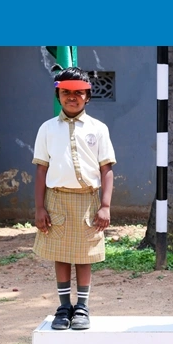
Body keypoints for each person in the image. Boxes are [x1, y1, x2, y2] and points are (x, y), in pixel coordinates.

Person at [33, 66, 116, 330]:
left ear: (88, 96)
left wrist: (105, 205)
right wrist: (39, 207)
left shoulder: (98, 129)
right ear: (58, 96)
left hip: (87, 201)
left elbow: (106, 169)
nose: (72, 97)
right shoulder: (47, 129)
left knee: (84, 255)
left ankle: (82, 306)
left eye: (79, 92)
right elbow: (41, 169)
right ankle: (63, 306)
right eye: (66, 92)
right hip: (56, 200)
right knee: (61, 254)